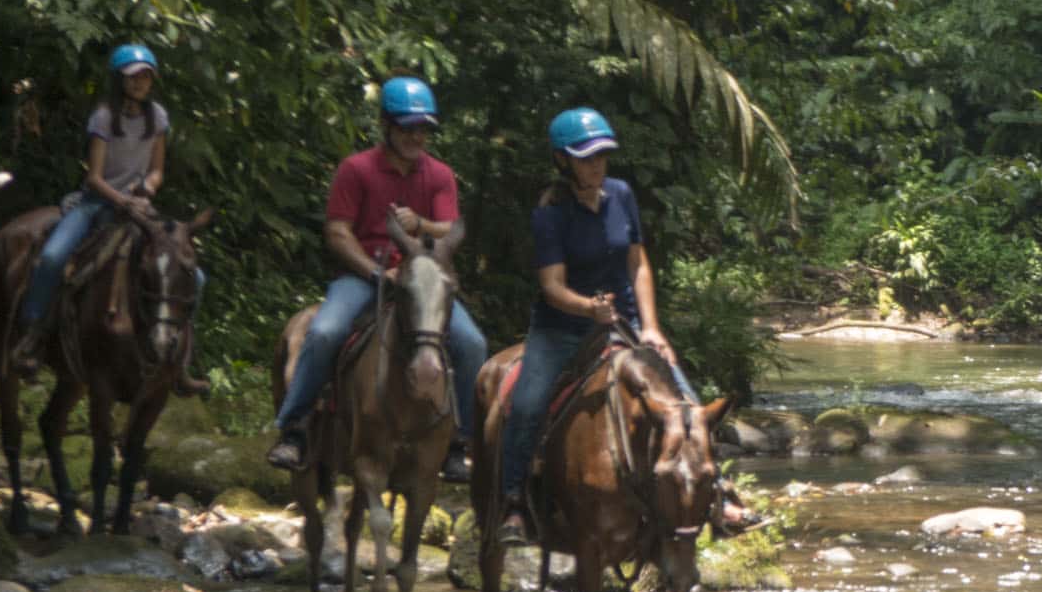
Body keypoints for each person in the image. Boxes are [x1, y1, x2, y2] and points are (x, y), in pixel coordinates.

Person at [490, 106, 754, 539]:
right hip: (562, 326)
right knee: (529, 402)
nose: (596, 165)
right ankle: (514, 501)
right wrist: (586, 308)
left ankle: (718, 493)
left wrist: (652, 328)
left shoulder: (622, 195)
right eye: (586, 157)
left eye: (601, 156)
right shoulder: (550, 214)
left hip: (624, 326)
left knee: (685, 402)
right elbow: (552, 285)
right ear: (564, 161)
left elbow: (638, 264)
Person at [264, 77, 485, 481]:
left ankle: (460, 441)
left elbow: (449, 229)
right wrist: (376, 271)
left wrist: (421, 223)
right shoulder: (356, 169)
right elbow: (337, 232)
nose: (416, 135)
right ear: (386, 124)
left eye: (423, 128)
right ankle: (294, 428)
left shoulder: (439, 175)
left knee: (472, 343)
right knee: (325, 331)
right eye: (407, 127)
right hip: (364, 275)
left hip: (422, 281)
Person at [14, 43, 208, 387]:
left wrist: (146, 189)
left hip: (139, 208)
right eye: (133, 77)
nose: (139, 83)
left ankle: (182, 359)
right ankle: (32, 333)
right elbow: (94, 177)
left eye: (146, 77)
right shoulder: (104, 116)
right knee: (52, 257)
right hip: (97, 203)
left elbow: (157, 171)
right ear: (119, 80)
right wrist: (122, 201)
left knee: (194, 275)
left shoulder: (158, 117)